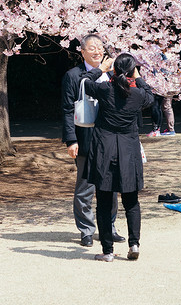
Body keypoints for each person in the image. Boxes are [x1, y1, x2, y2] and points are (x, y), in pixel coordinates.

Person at [81, 53, 153, 261]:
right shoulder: (137, 94)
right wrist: (137, 77)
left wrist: (100, 70)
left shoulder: (104, 89)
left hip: (105, 148)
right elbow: (149, 94)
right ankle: (134, 244)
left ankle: (108, 251)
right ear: (132, 71)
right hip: (129, 149)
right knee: (131, 201)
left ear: (114, 70)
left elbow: (85, 82)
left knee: (103, 201)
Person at [61, 33, 121, 248]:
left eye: (100, 46)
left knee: (111, 186)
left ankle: (109, 227)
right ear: (82, 51)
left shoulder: (114, 74)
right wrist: (70, 140)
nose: (97, 51)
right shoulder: (73, 75)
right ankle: (86, 230)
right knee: (85, 187)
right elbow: (68, 110)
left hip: (111, 138)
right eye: (92, 47)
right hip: (85, 137)